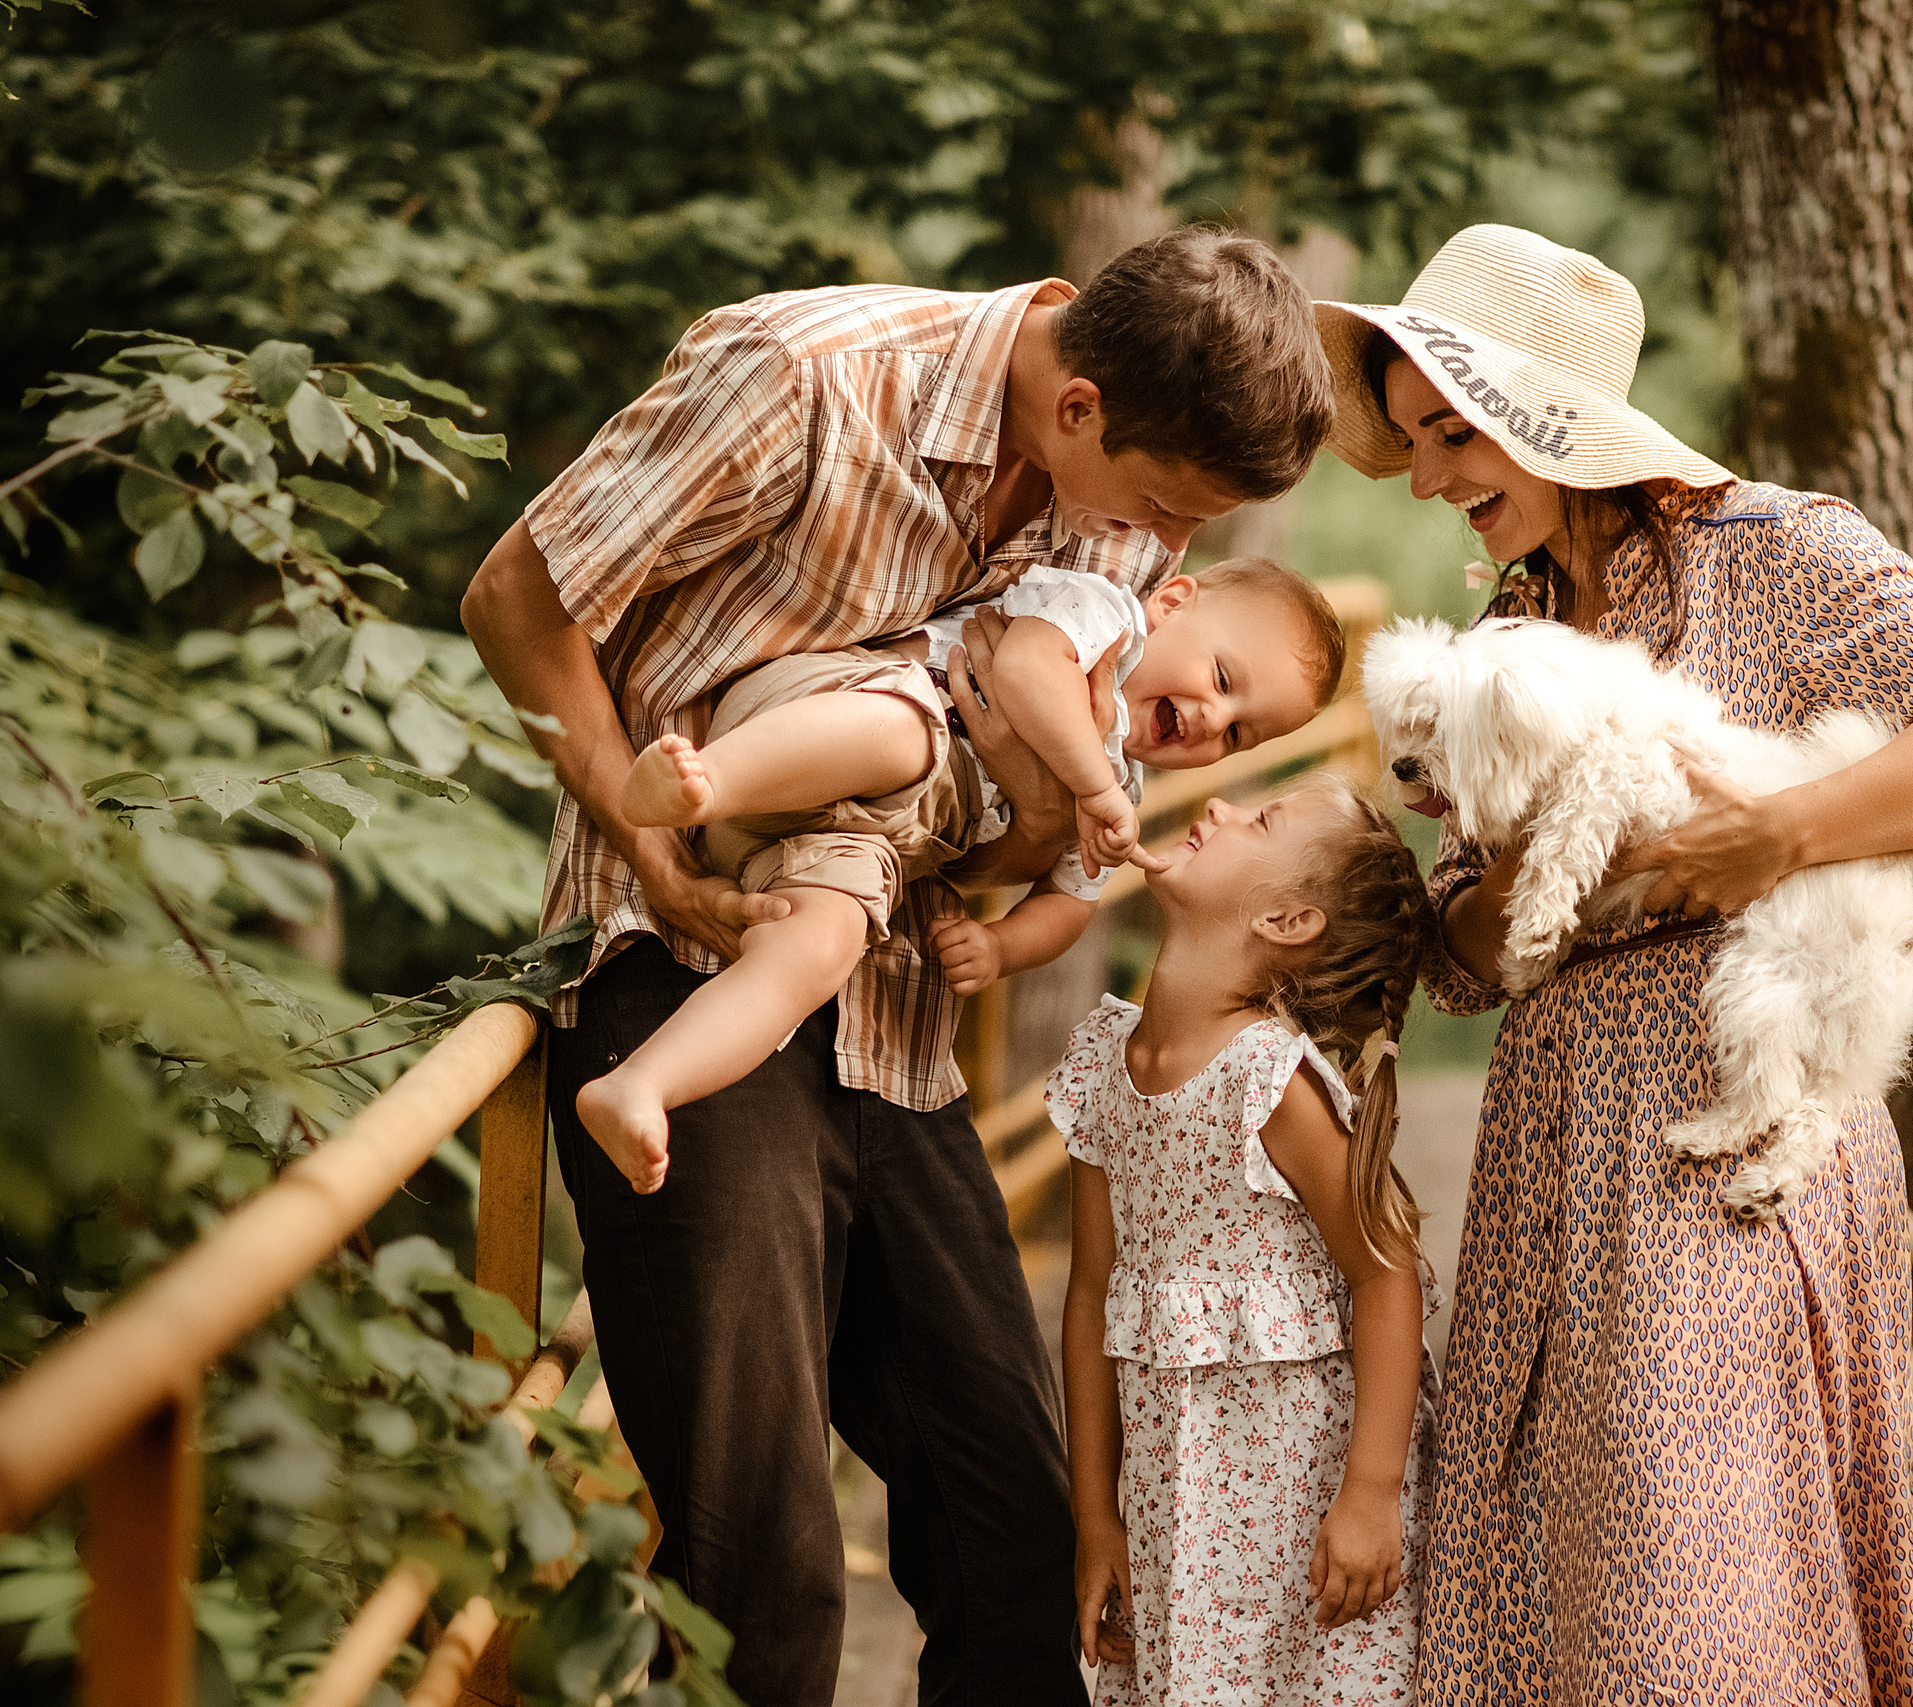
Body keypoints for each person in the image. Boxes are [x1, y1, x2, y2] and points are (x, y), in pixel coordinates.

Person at [459, 225, 1333, 1706]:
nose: (1166, 548)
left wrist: (1043, 838)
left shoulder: (1130, 505)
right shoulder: (801, 375)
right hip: (686, 964)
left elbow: (1004, 824)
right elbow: (512, 600)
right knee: (762, 1567)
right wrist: (648, 838)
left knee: (1018, 1535)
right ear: (1079, 408)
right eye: (1163, 508)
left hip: (895, 1010)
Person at [1312, 224, 1913, 1704]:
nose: (1426, 478)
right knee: (1562, 1577)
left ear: (1547, 414)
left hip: (1724, 1147)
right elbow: (1466, 963)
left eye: (1451, 434)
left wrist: (1782, 835)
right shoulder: (1510, 624)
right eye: (1411, 440)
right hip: (1556, 1155)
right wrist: (1527, 860)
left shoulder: (1778, 548)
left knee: (1701, 1594)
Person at [580, 556, 1346, 1194]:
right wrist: (1093, 788)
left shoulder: (1122, 792)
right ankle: (702, 782)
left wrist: (1001, 945)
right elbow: (1025, 669)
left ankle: (645, 1083)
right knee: (908, 734)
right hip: (828, 721)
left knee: (823, 944)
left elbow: (1071, 900)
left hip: (854, 838)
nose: (1214, 718)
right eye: (1222, 677)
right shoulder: (1100, 615)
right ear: (1172, 603)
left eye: (1238, 733)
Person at [1051, 774, 1442, 1706]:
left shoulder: (1268, 1080)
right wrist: (1095, 1517)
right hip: (1174, 1515)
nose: (1220, 806)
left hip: (1304, 1512)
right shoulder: (1102, 1065)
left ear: (1288, 920)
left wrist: (1371, 1492)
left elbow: (1385, 1275)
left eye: (1260, 818)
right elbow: (1092, 1293)